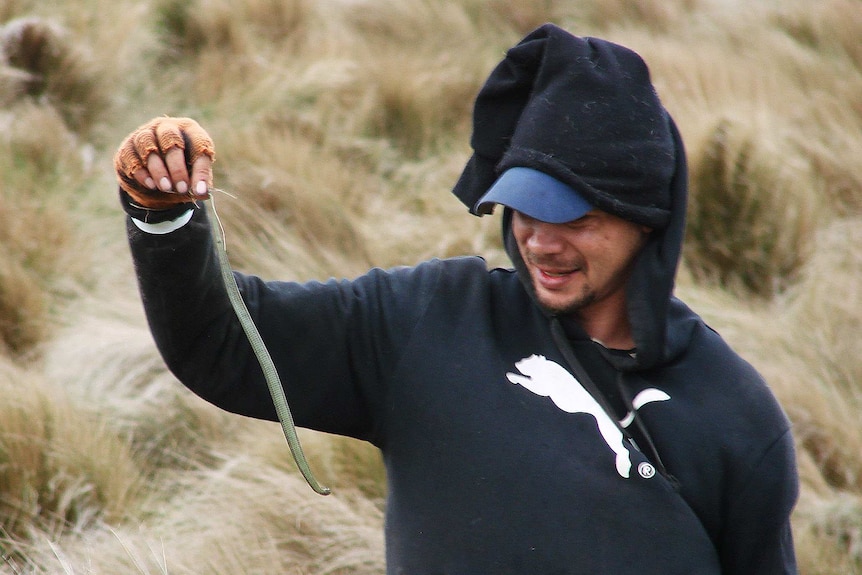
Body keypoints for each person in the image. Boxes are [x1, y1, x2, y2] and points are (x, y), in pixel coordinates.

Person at [114, 24, 798, 574]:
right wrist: (164, 216)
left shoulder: (735, 415)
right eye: (527, 209)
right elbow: (224, 341)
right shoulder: (427, 322)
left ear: (646, 217)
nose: (540, 241)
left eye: (577, 219)